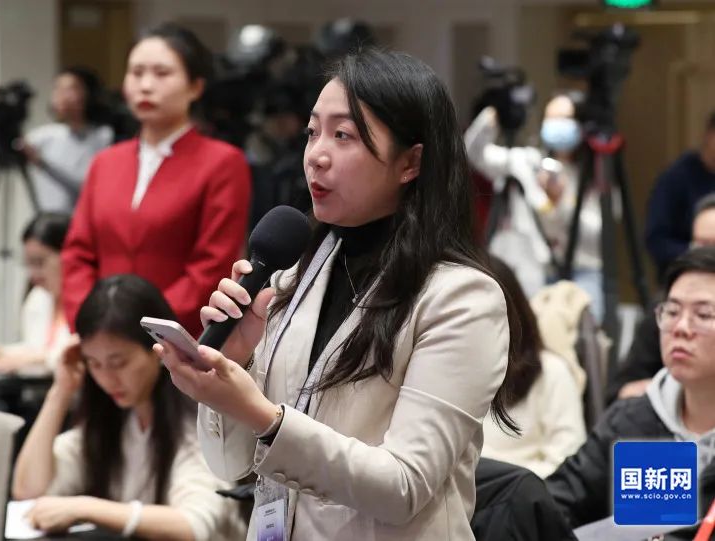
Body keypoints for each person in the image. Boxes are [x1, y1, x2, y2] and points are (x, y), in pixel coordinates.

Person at [159, 48, 519, 540]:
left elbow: (404, 487)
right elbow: (229, 465)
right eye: (313, 133)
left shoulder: (462, 299)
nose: (316, 154)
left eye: (343, 135)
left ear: (410, 162)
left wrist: (260, 414)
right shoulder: (291, 279)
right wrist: (237, 361)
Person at [11, 274, 243, 540]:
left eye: (118, 363)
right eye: (94, 363)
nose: (107, 379)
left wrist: (84, 507)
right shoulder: (113, 419)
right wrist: (60, 392)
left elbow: (193, 526)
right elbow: (29, 491)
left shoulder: (199, 420)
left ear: (159, 350)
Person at [61, 23, 251, 338]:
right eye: (136, 73)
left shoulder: (222, 162)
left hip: (176, 338)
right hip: (101, 340)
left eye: (162, 73)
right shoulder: (105, 163)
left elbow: (212, 265)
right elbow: (77, 255)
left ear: (195, 87)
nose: (146, 85)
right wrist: (91, 320)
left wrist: (136, 326)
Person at [546, 247, 715, 531]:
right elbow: (556, 505)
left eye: (704, 314)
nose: (681, 327)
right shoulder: (634, 420)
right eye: (672, 311)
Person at [465, 93, 606, 322]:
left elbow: (598, 236)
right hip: (541, 271)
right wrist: (495, 113)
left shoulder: (596, 173)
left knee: (585, 333)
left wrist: (561, 203)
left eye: (564, 118)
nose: (556, 125)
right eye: (550, 118)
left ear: (582, 125)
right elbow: (474, 153)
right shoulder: (528, 162)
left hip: (584, 270)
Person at [482, 256, 587, 479]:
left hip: (521, 490)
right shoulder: (441, 370)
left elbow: (568, 457)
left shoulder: (552, 372)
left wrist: (510, 484)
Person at [609, 192, 715, 402]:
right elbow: (619, 391)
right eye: (702, 245)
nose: (682, 327)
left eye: (704, 315)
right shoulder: (668, 306)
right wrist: (672, 394)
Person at [0, 213, 72, 374]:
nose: (32, 275)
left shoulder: (92, 302)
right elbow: (33, 348)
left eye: (39, 262)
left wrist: (37, 359)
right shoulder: (39, 297)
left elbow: (79, 354)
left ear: (69, 256)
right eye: (28, 264)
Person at [22, 67, 113, 212]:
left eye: (69, 89)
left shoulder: (103, 136)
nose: (61, 95)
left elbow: (89, 187)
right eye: (57, 88)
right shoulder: (43, 136)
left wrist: (44, 163)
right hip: (47, 219)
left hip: (82, 219)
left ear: (88, 94)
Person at [645, 111, 715, 279]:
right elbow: (657, 240)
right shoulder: (676, 178)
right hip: (686, 274)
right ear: (709, 135)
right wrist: (698, 251)